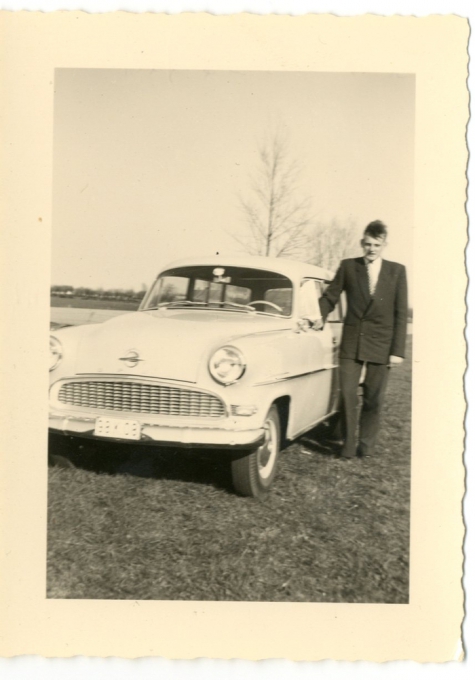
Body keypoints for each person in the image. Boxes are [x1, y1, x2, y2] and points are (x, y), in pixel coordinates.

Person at [319, 220, 408, 459]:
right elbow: (331, 296)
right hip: (352, 341)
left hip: (382, 343)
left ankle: (366, 446)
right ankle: (347, 446)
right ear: (362, 243)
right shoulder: (348, 267)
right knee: (347, 395)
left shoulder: (397, 271)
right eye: (367, 244)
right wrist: (316, 316)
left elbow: (400, 313)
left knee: (373, 398)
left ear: (384, 244)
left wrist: (397, 350)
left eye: (376, 245)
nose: (371, 249)